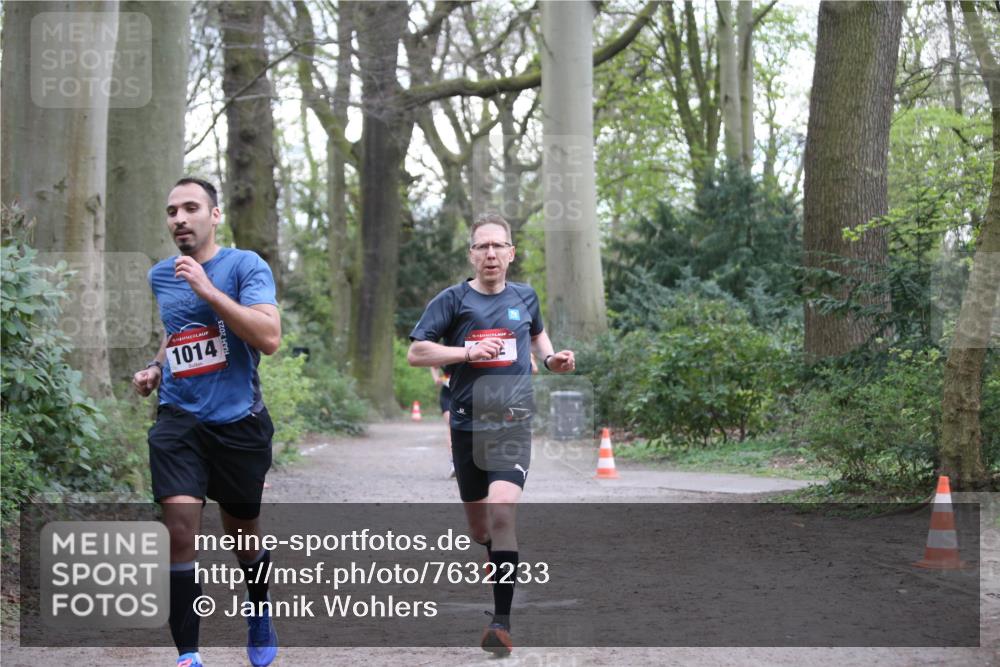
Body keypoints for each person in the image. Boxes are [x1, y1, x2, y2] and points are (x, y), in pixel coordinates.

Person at [407, 213, 575, 656]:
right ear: (472, 254)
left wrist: (553, 358)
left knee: (503, 513)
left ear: (511, 253)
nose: (491, 254)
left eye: (498, 246)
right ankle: (493, 555)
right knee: (481, 529)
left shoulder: (525, 296)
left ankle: (500, 623)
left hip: (513, 422)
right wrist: (465, 351)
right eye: (482, 247)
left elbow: (538, 336)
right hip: (467, 425)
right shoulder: (452, 300)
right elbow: (416, 352)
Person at [132, 177, 281, 667]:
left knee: (243, 537)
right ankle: (189, 655)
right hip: (179, 419)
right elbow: (176, 332)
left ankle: (258, 607)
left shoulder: (245, 266)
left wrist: (207, 288)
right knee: (179, 530)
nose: (179, 218)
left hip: (239, 422)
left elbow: (269, 336)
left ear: (214, 215)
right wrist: (157, 366)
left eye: (191, 208)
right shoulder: (161, 275)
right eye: (172, 210)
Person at [430, 367, 455, 478]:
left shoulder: (468, 350)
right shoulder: (445, 349)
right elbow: (433, 364)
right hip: (447, 395)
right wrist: (436, 378)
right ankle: (454, 462)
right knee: (452, 426)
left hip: (465, 393)